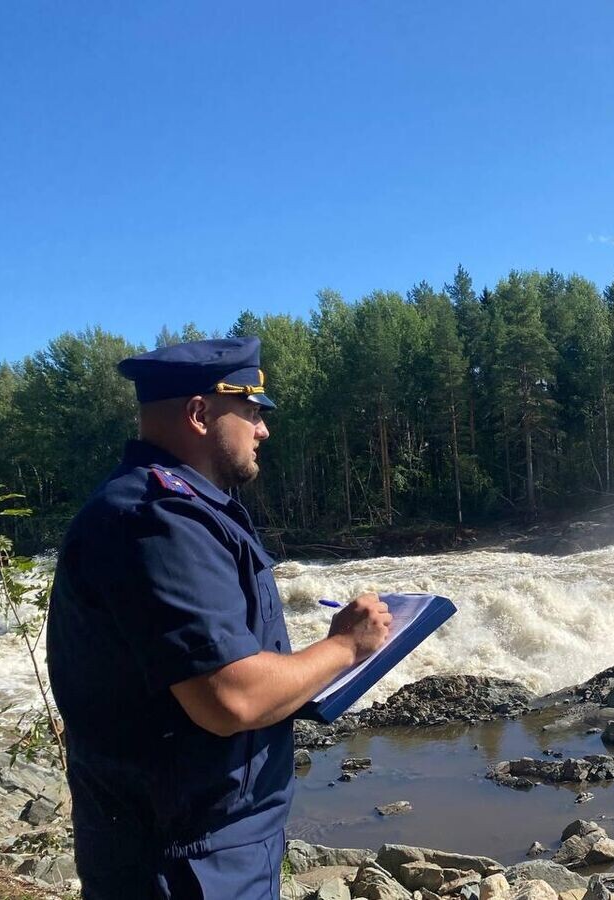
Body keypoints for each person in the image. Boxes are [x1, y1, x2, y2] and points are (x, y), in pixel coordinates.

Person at [46, 337, 392, 899]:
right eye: (253, 412)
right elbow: (232, 698)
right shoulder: (158, 521)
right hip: (185, 863)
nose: (264, 430)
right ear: (200, 413)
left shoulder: (183, 508)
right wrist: (346, 647)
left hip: (208, 842)